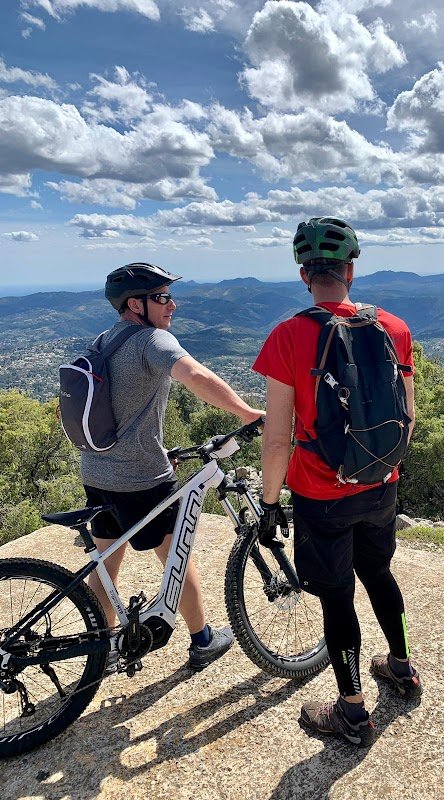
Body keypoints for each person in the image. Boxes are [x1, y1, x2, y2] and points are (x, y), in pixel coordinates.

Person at [252, 218, 421, 746]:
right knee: (380, 573)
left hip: (321, 494)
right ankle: (400, 666)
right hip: (380, 484)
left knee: (337, 599)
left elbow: (277, 439)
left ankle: (350, 711)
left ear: (305, 275)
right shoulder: (393, 328)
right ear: (351, 269)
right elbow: (408, 418)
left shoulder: (288, 335)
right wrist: (382, 473)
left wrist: (270, 503)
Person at [82, 262, 263, 673]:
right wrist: (247, 412)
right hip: (141, 478)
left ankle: (100, 649)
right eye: (162, 298)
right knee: (176, 556)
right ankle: (203, 640)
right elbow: (195, 375)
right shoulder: (152, 341)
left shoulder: (102, 341)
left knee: (106, 561)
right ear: (135, 304)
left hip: (96, 472)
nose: (172, 306)